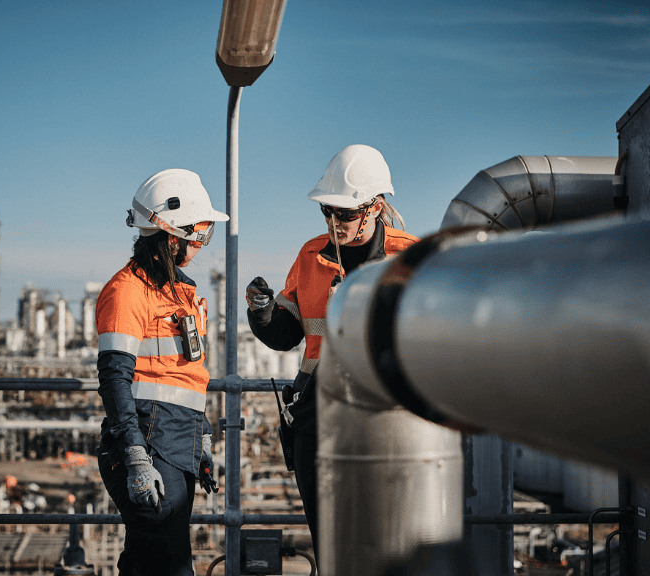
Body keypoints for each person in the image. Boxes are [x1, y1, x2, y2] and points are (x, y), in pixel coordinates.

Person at [245, 144, 420, 557]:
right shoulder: (310, 256)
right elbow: (287, 334)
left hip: (384, 422)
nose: (332, 221)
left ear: (375, 207)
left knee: (384, 546)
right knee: (331, 546)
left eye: (344, 213)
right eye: (326, 210)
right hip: (317, 419)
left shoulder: (408, 257)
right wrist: (264, 311)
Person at [96, 168, 229, 576]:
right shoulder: (127, 292)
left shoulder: (174, 293)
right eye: (199, 235)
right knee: (169, 566)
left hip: (174, 442)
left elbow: (182, 375)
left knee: (148, 560)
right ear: (173, 238)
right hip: (150, 444)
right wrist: (136, 457)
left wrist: (200, 437)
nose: (201, 245)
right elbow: (115, 378)